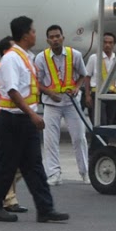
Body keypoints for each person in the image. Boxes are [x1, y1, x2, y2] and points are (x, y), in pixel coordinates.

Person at [0, 15, 67, 223]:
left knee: (34, 166)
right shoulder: (12, 58)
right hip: (12, 119)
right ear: (24, 35)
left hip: (24, 119)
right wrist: (33, 115)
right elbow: (13, 90)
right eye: (32, 31)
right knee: (5, 165)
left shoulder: (26, 56)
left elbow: (26, 87)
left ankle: (45, 209)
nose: (35, 34)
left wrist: (45, 95)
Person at [34, 24, 89, 184]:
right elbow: (36, 82)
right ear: (47, 40)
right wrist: (50, 93)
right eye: (52, 37)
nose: (55, 39)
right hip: (51, 104)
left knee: (79, 137)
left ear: (63, 38)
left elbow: (83, 75)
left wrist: (77, 88)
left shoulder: (75, 55)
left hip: (72, 103)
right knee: (50, 139)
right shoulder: (41, 58)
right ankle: (54, 174)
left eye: (57, 36)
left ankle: (85, 172)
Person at [0, 37, 28, 215]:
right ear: (6, 52)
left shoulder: (8, 69)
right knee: (11, 162)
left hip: (11, 119)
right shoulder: (0, 72)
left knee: (17, 162)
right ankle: (7, 199)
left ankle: (7, 196)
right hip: (4, 119)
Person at [86, 31, 116, 125]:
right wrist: (87, 95)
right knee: (100, 122)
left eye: (110, 43)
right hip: (97, 94)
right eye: (105, 42)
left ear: (114, 44)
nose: (107, 45)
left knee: (109, 123)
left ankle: (104, 140)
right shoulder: (94, 58)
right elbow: (87, 77)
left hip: (112, 95)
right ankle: (99, 140)